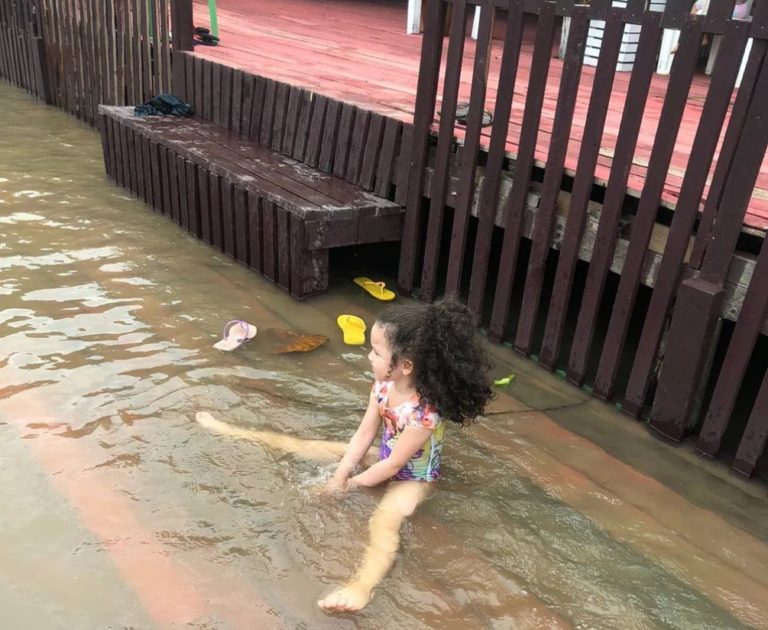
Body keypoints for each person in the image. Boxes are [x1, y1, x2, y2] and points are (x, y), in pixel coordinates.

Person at [196, 298, 493, 612]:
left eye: (377, 352)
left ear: (405, 365)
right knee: (309, 445)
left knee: (384, 522)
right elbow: (364, 434)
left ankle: (361, 587)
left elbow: (395, 464)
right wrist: (340, 473)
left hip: (413, 478)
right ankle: (235, 431)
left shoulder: (425, 414)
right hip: (383, 457)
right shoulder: (381, 385)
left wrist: (348, 486)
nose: (369, 356)